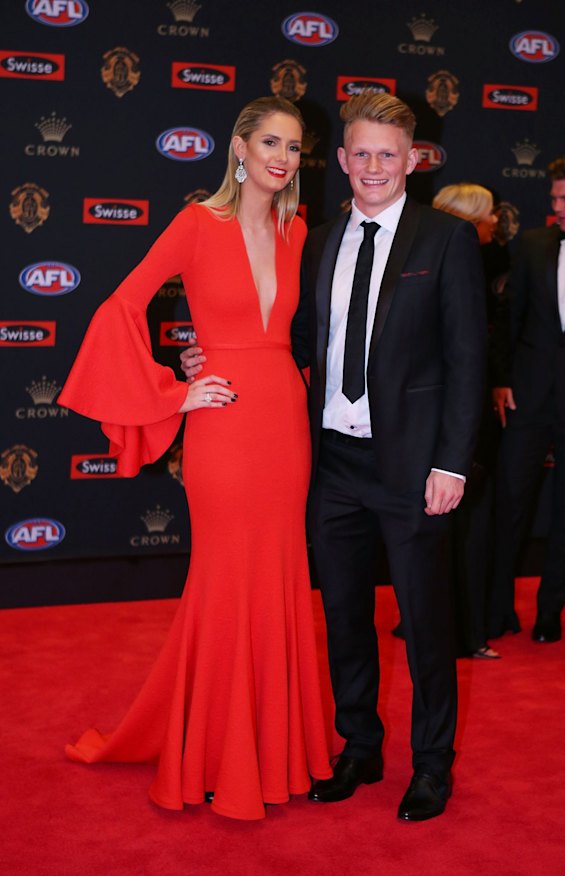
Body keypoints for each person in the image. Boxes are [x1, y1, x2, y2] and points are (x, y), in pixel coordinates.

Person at [185, 92, 485, 819]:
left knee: (423, 624)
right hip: (330, 467)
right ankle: (359, 748)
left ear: (412, 159)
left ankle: (432, 766)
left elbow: (469, 359)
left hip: (413, 467)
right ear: (343, 158)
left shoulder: (445, 240)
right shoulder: (314, 238)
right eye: (361, 153)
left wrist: (452, 464)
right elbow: (286, 346)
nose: (374, 166)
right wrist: (208, 355)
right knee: (345, 619)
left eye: (390, 154)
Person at [58, 96, 332, 821]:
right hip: (225, 423)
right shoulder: (194, 223)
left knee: (278, 576)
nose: (282, 157)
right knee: (224, 579)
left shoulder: (298, 228)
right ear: (238, 147)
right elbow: (119, 309)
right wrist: (174, 391)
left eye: (295, 147)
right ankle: (217, 752)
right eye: (269, 141)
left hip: (285, 420)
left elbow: (297, 333)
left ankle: (276, 750)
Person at [489, 152, 565, 644]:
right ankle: (498, 608)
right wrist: (501, 380)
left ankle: (550, 612)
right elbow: (508, 317)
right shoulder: (531, 245)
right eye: (553, 198)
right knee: (509, 504)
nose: (556, 207)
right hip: (526, 396)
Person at [431, 184, 501, 660]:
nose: (496, 222)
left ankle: (454, 629)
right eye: (489, 214)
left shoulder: (488, 258)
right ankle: (461, 633)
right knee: (460, 529)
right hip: (456, 412)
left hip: (454, 409)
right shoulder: (470, 260)